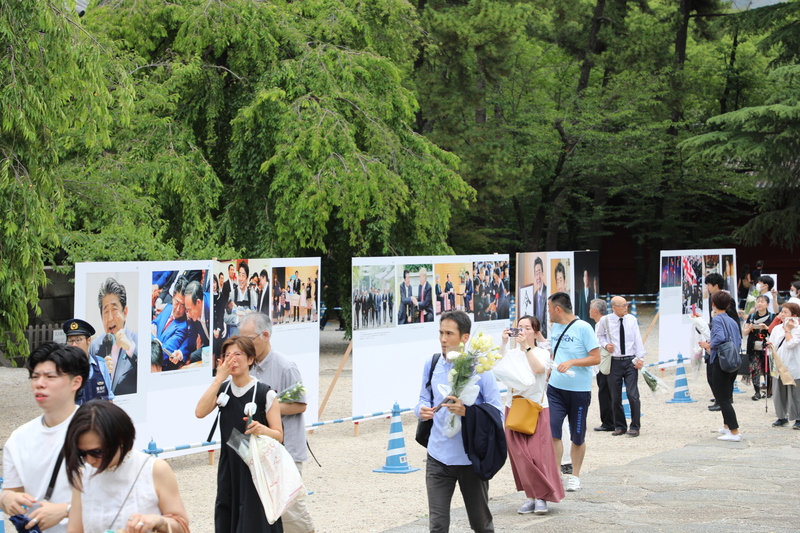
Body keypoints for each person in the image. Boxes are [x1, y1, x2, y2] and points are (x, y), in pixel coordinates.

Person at [415, 310, 503, 532]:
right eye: (441, 333)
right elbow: (423, 399)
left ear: (465, 337)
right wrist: (420, 410)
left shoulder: (482, 370)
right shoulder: (432, 363)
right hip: (437, 457)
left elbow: (497, 413)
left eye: (449, 333)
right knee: (437, 525)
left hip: (470, 459)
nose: (443, 339)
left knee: (481, 524)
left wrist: (468, 412)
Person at [196, 336, 284, 532]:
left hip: (256, 469)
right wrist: (219, 378)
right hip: (229, 466)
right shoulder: (223, 390)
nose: (232, 360)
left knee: (254, 521)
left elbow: (279, 435)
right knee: (226, 516)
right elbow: (200, 412)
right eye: (227, 355)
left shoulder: (264, 394)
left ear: (251, 359)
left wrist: (262, 429)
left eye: (237, 354)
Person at [0, 342, 89, 533]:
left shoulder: (98, 431)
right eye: (35, 376)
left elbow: (123, 496)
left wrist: (67, 510)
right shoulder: (18, 439)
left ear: (76, 382)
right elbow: (13, 492)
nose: (40, 383)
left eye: (50, 377)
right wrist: (5, 499)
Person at [63, 401, 189, 533]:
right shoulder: (83, 474)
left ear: (121, 439)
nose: (89, 460)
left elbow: (182, 526)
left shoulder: (153, 469)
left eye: (97, 452)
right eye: (81, 453)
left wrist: (157, 521)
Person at [240, 313, 316, 533]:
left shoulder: (286, 367)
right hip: (256, 452)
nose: (244, 345)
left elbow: (301, 405)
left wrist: (267, 406)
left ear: (265, 335)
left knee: (292, 514)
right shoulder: (247, 366)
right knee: (263, 513)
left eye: (249, 340)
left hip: (286, 452)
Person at [499, 316, 564, 515]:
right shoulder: (510, 353)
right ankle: (530, 496)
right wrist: (502, 341)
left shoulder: (542, 352)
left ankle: (542, 497)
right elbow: (496, 366)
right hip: (514, 407)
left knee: (537, 455)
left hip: (536, 408)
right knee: (520, 456)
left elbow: (539, 370)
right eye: (519, 327)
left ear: (536, 333)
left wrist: (527, 348)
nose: (522, 331)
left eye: (527, 328)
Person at [546, 292, 601, 491]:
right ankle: (557, 473)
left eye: (550, 308)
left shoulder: (584, 328)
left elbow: (596, 358)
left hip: (579, 390)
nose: (548, 312)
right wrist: (550, 370)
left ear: (558, 309)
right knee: (553, 431)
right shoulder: (555, 327)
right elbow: (556, 352)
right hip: (555, 389)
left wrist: (572, 363)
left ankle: (575, 475)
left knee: (577, 434)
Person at [596, 296, 645, 437]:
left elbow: (637, 339)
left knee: (632, 394)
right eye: (623, 305)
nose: (626, 307)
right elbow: (599, 336)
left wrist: (640, 357)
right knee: (615, 395)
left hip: (630, 360)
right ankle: (620, 425)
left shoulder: (631, 320)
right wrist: (606, 345)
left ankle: (635, 425)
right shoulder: (605, 320)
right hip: (614, 361)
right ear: (614, 307)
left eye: (626, 304)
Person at [698, 291, 743, 442]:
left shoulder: (717, 319)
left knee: (722, 398)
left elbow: (720, 337)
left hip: (721, 361)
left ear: (714, 304)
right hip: (733, 361)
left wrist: (709, 344)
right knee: (727, 394)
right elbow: (737, 340)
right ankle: (726, 426)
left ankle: (734, 431)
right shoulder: (732, 320)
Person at [89, 277, 138, 396]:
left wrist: (130, 348)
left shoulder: (137, 341)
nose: (110, 318)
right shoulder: (95, 346)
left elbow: (148, 374)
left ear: (125, 312)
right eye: (106, 312)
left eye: (114, 309)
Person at [703, 273, 740, 412]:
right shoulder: (712, 299)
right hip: (716, 337)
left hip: (724, 343)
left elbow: (732, 321)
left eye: (708, 284)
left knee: (719, 371)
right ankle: (722, 397)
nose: (707, 287)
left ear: (716, 285)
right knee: (716, 371)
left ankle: (723, 399)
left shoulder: (726, 300)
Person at [63, 319, 114, 405]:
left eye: (78, 340)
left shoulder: (101, 364)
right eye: (71, 340)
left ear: (89, 341)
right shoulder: (62, 367)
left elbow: (108, 398)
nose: (74, 344)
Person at [767, 303, 800, 428]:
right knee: (778, 392)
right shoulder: (776, 329)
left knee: (795, 393)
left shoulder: (798, 329)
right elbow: (775, 344)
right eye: (782, 312)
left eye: (785, 312)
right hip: (779, 364)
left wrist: (788, 330)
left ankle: (798, 418)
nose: (782, 314)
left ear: (794, 315)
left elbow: (791, 343)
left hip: (794, 365)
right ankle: (781, 416)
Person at [152, 276, 191, 370]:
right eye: (177, 302)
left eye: (183, 305)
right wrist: (157, 341)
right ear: (173, 296)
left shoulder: (183, 327)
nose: (178, 309)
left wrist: (153, 338)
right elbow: (152, 325)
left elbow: (162, 354)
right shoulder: (167, 308)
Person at [589, 299, 614, 432]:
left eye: (590, 309)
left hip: (605, 361)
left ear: (595, 311)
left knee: (604, 391)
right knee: (609, 391)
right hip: (607, 360)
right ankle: (611, 420)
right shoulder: (607, 321)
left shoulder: (601, 323)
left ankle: (608, 421)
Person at [743, 295, 773, 400]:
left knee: (767, 369)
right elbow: (745, 332)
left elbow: (775, 332)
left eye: (762, 302)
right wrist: (750, 328)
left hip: (767, 347)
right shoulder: (751, 317)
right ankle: (757, 391)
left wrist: (767, 328)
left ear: (767, 304)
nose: (759, 303)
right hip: (753, 347)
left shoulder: (772, 317)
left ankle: (769, 391)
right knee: (755, 369)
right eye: (758, 301)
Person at [184, 280, 210, 363]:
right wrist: (181, 353)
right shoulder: (194, 313)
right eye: (186, 310)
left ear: (198, 302)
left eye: (189, 310)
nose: (188, 315)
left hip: (220, 347)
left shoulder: (211, 308)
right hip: (208, 347)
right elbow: (191, 336)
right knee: (189, 358)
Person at [533, 257, 548, 338]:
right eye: (536, 273)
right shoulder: (534, 296)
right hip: (536, 337)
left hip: (545, 336)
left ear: (543, 273)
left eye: (539, 273)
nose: (538, 277)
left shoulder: (548, 292)